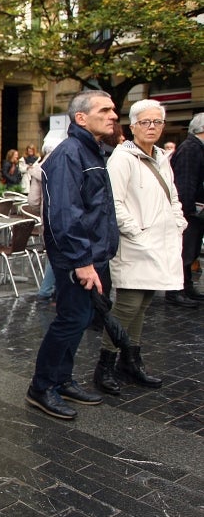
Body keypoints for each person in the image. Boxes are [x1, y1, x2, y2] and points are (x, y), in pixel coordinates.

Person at [26, 90, 119, 420]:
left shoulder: (90, 150)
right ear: (81, 117)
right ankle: (41, 387)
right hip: (76, 258)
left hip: (90, 256)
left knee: (77, 321)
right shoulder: (70, 153)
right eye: (105, 110)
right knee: (70, 321)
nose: (113, 115)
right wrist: (82, 262)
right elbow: (66, 213)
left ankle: (61, 379)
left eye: (113, 110)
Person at [92, 99, 182, 395]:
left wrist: (178, 221)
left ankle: (131, 361)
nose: (152, 127)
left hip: (161, 242)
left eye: (157, 122)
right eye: (146, 122)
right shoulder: (122, 158)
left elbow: (173, 197)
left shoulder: (162, 157)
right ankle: (105, 365)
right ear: (133, 127)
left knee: (143, 302)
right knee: (127, 304)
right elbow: (113, 203)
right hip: (135, 244)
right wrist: (137, 233)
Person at [167, 113, 204, 305]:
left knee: (190, 252)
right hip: (188, 213)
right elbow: (185, 184)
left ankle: (186, 288)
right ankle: (176, 291)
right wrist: (187, 212)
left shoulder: (194, 148)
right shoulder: (191, 149)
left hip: (191, 212)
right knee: (184, 253)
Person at [27, 137, 64, 302]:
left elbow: (33, 201)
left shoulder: (39, 169)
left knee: (53, 253)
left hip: (47, 217)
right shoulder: (65, 165)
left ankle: (48, 289)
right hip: (66, 216)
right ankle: (49, 290)